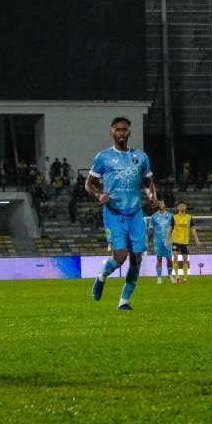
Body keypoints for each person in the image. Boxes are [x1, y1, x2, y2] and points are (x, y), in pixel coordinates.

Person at [85, 117, 157, 310]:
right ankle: (101, 277)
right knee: (120, 257)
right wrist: (99, 195)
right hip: (114, 214)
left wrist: (152, 196)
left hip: (135, 214)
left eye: (124, 129)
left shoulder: (140, 157)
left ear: (129, 132)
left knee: (137, 258)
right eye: (118, 130)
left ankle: (124, 301)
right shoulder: (103, 157)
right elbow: (89, 184)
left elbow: (148, 182)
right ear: (112, 132)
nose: (121, 133)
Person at [170, 201, 201, 283]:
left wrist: (197, 239)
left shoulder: (189, 217)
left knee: (185, 260)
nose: (182, 207)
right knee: (175, 258)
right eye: (180, 206)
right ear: (178, 208)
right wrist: (167, 240)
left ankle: (185, 278)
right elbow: (170, 229)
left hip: (185, 241)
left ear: (186, 207)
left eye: (183, 206)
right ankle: (177, 277)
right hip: (175, 241)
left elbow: (193, 229)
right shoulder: (174, 217)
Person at [148, 199, 174, 283]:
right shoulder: (153, 217)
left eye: (163, 202)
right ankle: (159, 278)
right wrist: (149, 240)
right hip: (158, 240)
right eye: (160, 203)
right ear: (157, 205)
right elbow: (151, 229)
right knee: (159, 259)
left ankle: (170, 275)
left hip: (168, 240)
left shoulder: (170, 215)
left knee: (169, 259)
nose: (162, 204)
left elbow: (173, 228)